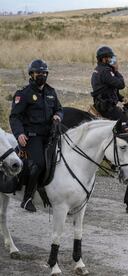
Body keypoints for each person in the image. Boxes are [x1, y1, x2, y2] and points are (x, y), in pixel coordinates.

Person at [9, 59, 63, 212]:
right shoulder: (23, 94)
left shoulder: (51, 92)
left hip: (51, 135)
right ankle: (27, 198)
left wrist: (58, 116)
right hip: (32, 137)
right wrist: (19, 134)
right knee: (38, 163)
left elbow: (59, 109)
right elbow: (15, 117)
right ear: (31, 74)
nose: (42, 75)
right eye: (38, 73)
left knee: (61, 159)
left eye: (44, 73)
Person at [91, 46, 127, 120]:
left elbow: (108, 89)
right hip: (107, 109)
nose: (111, 59)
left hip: (102, 105)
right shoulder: (106, 72)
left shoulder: (98, 69)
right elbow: (121, 85)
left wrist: (121, 98)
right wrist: (116, 71)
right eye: (110, 57)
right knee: (127, 120)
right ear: (104, 59)